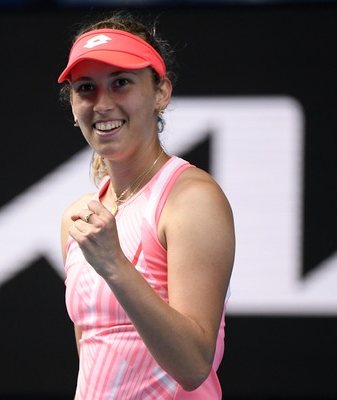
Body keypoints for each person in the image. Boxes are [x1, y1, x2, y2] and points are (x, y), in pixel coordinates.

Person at [58, 11, 235, 399]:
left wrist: (115, 266)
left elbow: (193, 366)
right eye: (85, 88)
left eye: (120, 83)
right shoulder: (79, 218)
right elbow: (94, 360)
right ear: (72, 105)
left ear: (161, 92)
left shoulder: (191, 199)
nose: (102, 103)